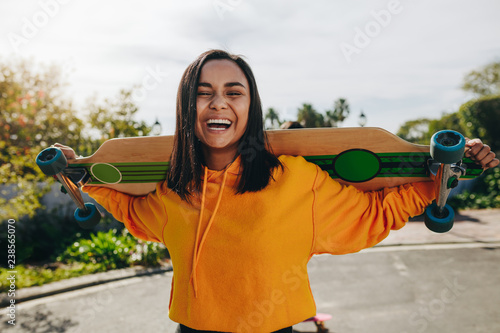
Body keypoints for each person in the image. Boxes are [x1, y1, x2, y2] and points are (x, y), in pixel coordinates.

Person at [55, 50, 499, 333]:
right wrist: (82, 173)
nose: (219, 102)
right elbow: (132, 210)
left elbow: (370, 214)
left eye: (234, 91)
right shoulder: (175, 189)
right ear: (186, 106)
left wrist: (440, 175)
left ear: (252, 106)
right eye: (203, 92)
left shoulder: (295, 179)